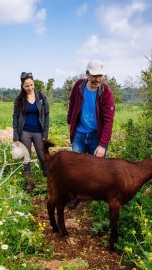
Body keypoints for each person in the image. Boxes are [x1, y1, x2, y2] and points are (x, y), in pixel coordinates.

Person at [66, 59, 115, 208]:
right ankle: (74, 196)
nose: (97, 79)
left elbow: (108, 121)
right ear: (87, 74)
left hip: (96, 136)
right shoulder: (79, 86)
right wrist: (70, 123)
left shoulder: (106, 93)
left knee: (99, 170)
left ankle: (95, 199)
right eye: (94, 76)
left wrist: (102, 145)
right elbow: (72, 104)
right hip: (79, 134)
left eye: (100, 76)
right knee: (75, 169)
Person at [13, 72, 50, 193]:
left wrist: (45, 133)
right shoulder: (19, 99)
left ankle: (49, 180)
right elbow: (15, 117)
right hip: (24, 132)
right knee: (26, 157)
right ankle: (29, 182)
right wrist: (16, 136)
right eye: (27, 86)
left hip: (38, 132)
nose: (30, 88)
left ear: (33, 83)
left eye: (31, 85)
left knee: (42, 156)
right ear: (22, 86)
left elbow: (46, 115)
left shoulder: (41, 97)